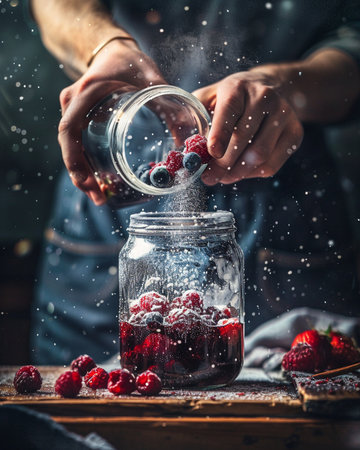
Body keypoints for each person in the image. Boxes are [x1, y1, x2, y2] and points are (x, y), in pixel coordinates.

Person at [29, 0, 360, 364]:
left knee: (284, 408)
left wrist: (290, 87)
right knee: (77, 409)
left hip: (283, 202)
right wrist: (103, 46)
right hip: (116, 181)